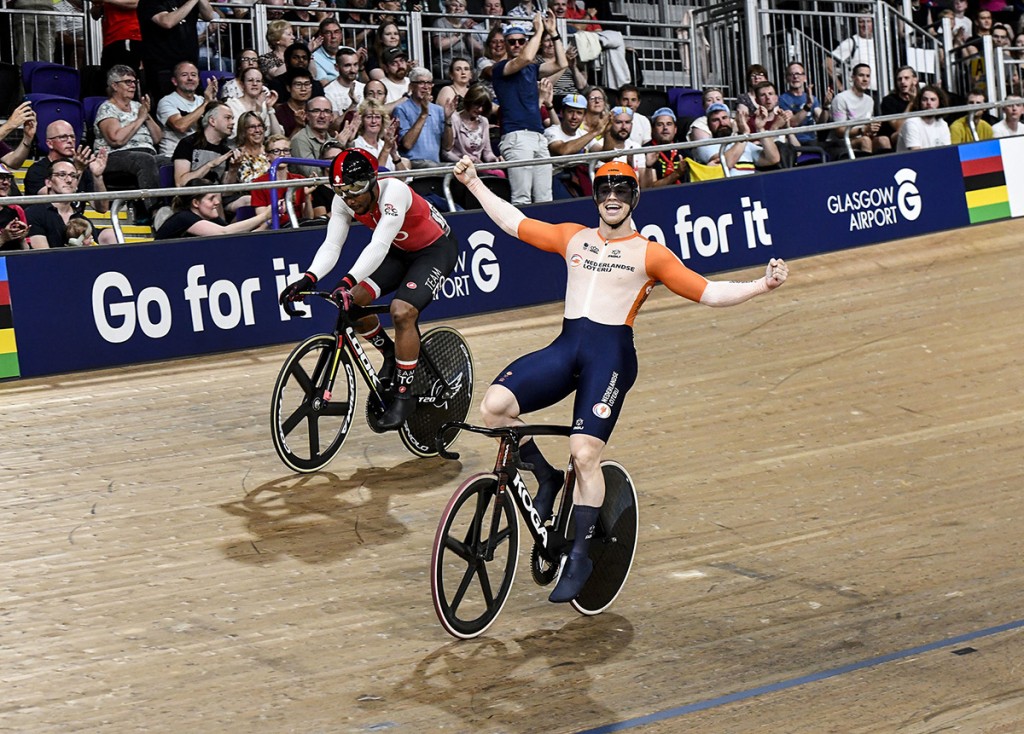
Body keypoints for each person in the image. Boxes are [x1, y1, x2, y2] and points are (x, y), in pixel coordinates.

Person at [452, 154, 788, 602]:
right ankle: (547, 478)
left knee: (584, 452)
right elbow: (514, 222)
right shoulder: (573, 237)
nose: (612, 197)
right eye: (605, 189)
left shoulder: (650, 253)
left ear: (634, 198)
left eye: (621, 190)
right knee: (493, 410)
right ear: (595, 196)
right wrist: (474, 183)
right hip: (566, 348)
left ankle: (581, 554)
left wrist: (761, 285)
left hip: (610, 359)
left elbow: (708, 292)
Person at [278, 148, 461, 430]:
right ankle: (391, 352)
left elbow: (378, 245)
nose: (350, 198)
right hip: (399, 252)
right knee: (352, 303)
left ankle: (404, 394)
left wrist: (346, 280)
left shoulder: (395, 192)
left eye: (356, 190)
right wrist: (308, 278)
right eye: (342, 191)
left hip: (434, 251)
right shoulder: (346, 201)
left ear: (373, 180)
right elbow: (332, 245)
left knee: (402, 312)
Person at [492, 13, 567, 205]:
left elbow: (562, 64)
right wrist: (539, 31)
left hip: (538, 136)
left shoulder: (532, 69)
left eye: (520, 41)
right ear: (506, 46)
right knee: (521, 198)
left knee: (545, 198)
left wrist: (554, 33)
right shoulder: (500, 68)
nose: (516, 45)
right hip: (516, 136)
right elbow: (524, 59)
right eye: (512, 42)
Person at [94, 65, 168, 221]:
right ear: (114, 85)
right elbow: (116, 140)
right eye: (127, 82)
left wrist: (146, 115)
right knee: (144, 159)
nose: (133, 85)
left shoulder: (138, 107)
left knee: (170, 162)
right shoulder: (107, 108)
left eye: (134, 82)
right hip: (113, 157)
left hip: (147, 154)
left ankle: (176, 209)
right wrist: (140, 118)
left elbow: (157, 138)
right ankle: (155, 213)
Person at [25, 159, 118, 248]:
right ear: (48, 182)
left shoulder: (81, 219)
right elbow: (42, 255)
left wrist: (98, 177)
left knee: (111, 234)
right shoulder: (34, 214)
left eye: (73, 176)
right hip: (51, 263)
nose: (69, 180)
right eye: (62, 175)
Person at [24, 121, 108, 215]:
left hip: (76, 225)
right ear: (50, 143)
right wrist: (78, 170)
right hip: (46, 224)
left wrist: (97, 176)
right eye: (63, 137)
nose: (70, 141)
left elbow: (102, 208)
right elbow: (54, 201)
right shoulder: (37, 170)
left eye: (72, 137)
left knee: (109, 230)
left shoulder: (84, 169)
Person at [137, 0, 217, 98]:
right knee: (167, 105)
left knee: (194, 105)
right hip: (163, 67)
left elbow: (209, 15)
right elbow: (167, 22)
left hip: (189, 65)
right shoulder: (150, 2)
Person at [154, 178, 270, 239]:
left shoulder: (212, 218)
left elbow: (236, 237)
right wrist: (264, 216)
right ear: (195, 203)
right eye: (211, 198)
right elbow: (224, 232)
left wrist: (269, 221)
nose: (217, 202)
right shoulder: (184, 217)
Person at [544, 91, 605, 198]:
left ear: (584, 116)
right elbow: (563, 151)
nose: (574, 117)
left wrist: (609, 132)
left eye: (579, 113)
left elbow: (605, 155)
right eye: (570, 111)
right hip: (556, 178)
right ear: (562, 112)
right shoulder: (552, 131)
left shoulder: (584, 134)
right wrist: (595, 132)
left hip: (580, 178)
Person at [694, 102, 781, 176]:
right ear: (709, 125)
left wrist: (760, 129)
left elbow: (773, 159)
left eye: (724, 118)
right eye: (715, 120)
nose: (722, 123)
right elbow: (726, 163)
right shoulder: (704, 145)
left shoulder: (745, 144)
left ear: (730, 120)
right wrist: (745, 134)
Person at [156, 61, 219, 157]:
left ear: (198, 80)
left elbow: (218, 126)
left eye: (193, 75)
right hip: (173, 156)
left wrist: (214, 101)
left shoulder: (202, 100)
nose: (190, 78)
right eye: (184, 75)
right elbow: (180, 126)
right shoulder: (167, 101)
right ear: (174, 81)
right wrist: (206, 103)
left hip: (200, 156)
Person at [395, 67, 454, 168]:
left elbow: (447, 146)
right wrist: (423, 114)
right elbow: (407, 144)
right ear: (411, 86)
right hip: (413, 163)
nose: (426, 87)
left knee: (462, 169)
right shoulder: (401, 109)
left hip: (435, 164)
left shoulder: (438, 110)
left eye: (429, 83)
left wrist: (448, 119)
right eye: (421, 83)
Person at [173, 101, 241, 188]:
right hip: (192, 198)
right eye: (227, 118)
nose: (232, 122)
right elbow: (180, 183)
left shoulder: (226, 152)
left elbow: (226, 193)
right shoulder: (187, 144)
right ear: (212, 121)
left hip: (217, 199)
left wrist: (233, 169)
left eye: (232, 118)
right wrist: (210, 165)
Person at [251, 135, 314, 227]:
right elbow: (263, 221)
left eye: (286, 150)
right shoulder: (259, 183)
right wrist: (281, 209)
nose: (282, 154)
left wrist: (307, 196)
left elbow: (309, 217)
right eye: (276, 151)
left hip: (300, 227)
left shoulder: (300, 179)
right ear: (267, 156)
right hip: (276, 230)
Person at [828, 64, 889, 156]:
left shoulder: (870, 100)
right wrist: (863, 130)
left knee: (884, 140)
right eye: (861, 75)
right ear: (853, 78)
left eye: (868, 76)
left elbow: (868, 128)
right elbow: (839, 131)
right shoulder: (840, 98)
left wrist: (873, 129)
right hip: (841, 142)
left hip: (862, 137)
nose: (865, 79)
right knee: (865, 140)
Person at [442, 83, 501, 175]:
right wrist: (464, 161)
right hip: (459, 167)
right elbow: (446, 153)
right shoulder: (455, 119)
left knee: (499, 174)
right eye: (477, 105)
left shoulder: (484, 121)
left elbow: (487, 153)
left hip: (477, 167)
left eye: (483, 106)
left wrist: (495, 159)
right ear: (470, 102)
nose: (480, 109)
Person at [778, 61, 831, 146]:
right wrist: (808, 106)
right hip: (795, 142)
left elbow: (822, 121)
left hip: (813, 140)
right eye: (791, 74)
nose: (795, 77)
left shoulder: (812, 98)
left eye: (798, 74)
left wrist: (826, 107)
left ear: (805, 78)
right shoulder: (783, 99)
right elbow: (792, 123)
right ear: (787, 79)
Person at [431, 0, 485, 80]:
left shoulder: (467, 24)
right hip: (446, 63)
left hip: (466, 64)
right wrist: (461, 32)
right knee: (455, 73)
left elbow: (479, 50)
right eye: (454, 5)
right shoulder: (440, 22)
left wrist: (468, 33)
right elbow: (440, 45)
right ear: (447, 7)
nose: (458, 8)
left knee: (480, 74)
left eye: (461, 6)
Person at [348, 99, 408, 170]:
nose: (374, 121)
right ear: (362, 120)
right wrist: (386, 149)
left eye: (377, 117)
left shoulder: (385, 144)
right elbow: (375, 176)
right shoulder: (356, 145)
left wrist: (394, 156)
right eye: (369, 117)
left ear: (382, 121)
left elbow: (404, 178)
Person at [226, 67, 284, 137]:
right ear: (242, 84)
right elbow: (240, 135)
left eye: (258, 81)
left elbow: (278, 136)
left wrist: (270, 108)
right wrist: (258, 110)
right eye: (250, 80)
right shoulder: (231, 105)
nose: (254, 83)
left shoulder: (264, 106)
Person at [827, 12, 877, 91]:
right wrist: (840, 87)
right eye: (861, 22)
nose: (865, 25)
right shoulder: (851, 42)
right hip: (860, 92)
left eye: (868, 21)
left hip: (878, 91)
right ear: (857, 24)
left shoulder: (878, 42)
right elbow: (827, 63)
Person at [896, 85, 951, 151]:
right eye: (924, 99)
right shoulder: (911, 123)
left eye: (933, 100)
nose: (928, 103)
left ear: (939, 103)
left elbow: (947, 152)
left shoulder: (943, 124)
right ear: (919, 102)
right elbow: (916, 154)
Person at [289, 98, 336, 176]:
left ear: (331, 117)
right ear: (307, 115)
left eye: (327, 111)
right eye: (316, 111)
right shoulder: (299, 140)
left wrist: (348, 143)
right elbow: (313, 174)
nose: (322, 116)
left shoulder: (332, 141)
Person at [644, 107, 685, 187]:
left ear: (675, 129)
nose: (665, 128)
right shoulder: (646, 151)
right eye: (660, 124)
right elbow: (650, 188)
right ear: (653, 130)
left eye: (669, 124)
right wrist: (676, 174)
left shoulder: (684, 149)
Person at [879, 66, 919, 145]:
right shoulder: (888, 100)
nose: (902, 81)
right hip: (893, 138)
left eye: (906, 78)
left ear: (915, 80)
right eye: (899, 79)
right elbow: (898, 127)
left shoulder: (922, 99)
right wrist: (911, 103)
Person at [324, 47, 366, 117]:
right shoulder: (328, 92)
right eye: (347, 65)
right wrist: (353, 104)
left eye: (355, 65)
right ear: (337, 67)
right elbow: (335, 126)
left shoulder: (364, 88)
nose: (353, 70)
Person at [276, 69, 316, 137]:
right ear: (288, 88)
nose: (303, 89)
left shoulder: (315, 109)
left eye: (307, 84)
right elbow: (284, 144)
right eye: (298, 84)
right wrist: (298, 126)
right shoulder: (280, 112)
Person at [0, 165, 30, 251]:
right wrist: (2, 239)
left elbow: (26, 251)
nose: (6, 182)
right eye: (0, 177)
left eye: (8, 178)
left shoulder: (16, 209)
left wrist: (21, 239)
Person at [312, 17, 344, 83]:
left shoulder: (350, 51)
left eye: (336, 32)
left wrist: (361, 67)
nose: (333, 36)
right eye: (328, 33)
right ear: (321, 36)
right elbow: (324, 84)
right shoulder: (315, 57)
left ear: (341, 35)